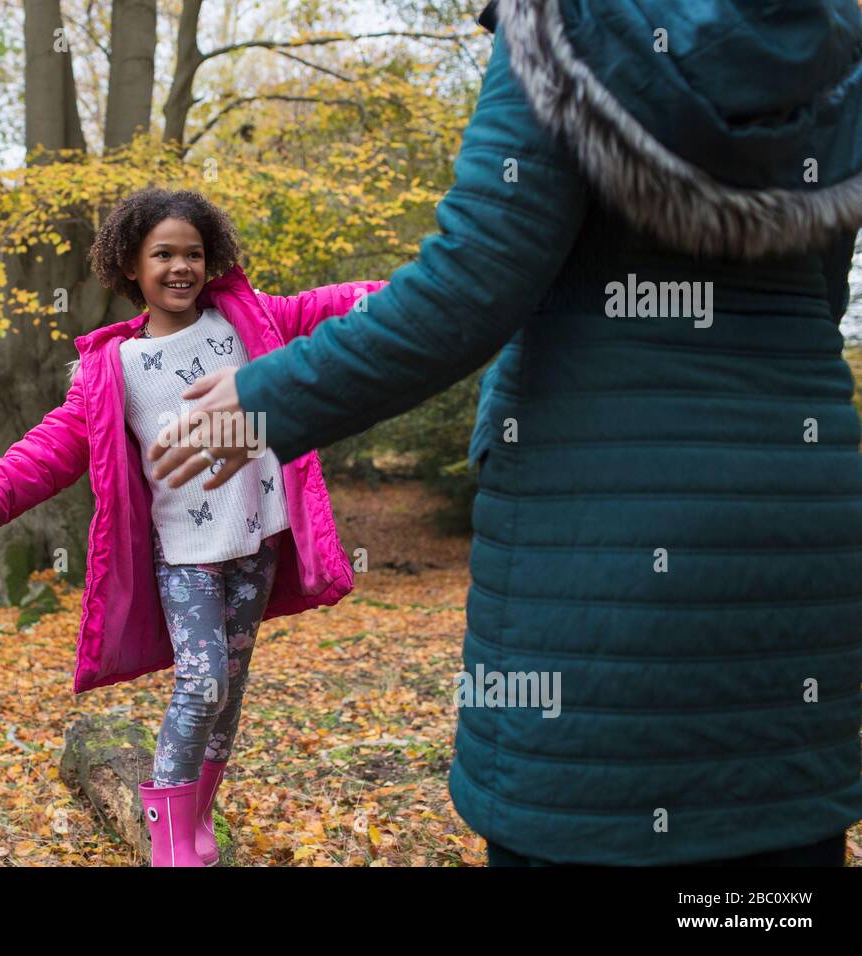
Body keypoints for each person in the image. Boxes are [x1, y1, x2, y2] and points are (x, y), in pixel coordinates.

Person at [148, 0, 862, 866]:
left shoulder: (569, 26)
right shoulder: (831, 44)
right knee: (774, 836)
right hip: (803, 517)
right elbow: (820, 301)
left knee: (581, 816)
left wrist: (265, 397)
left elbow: (468, 289)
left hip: (600, 535)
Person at [0, 187, 386, 865]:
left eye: (193, 253)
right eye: (163, 254)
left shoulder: (248, 322)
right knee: (203, 682)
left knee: (231, 689)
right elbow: (50, 448)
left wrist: (429, 285)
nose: (180, 267)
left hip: (256, 538)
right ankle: (168, 840)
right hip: (185, 553)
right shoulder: (114, 367)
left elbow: (332, 306)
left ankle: (196, 819)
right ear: (130, 266)